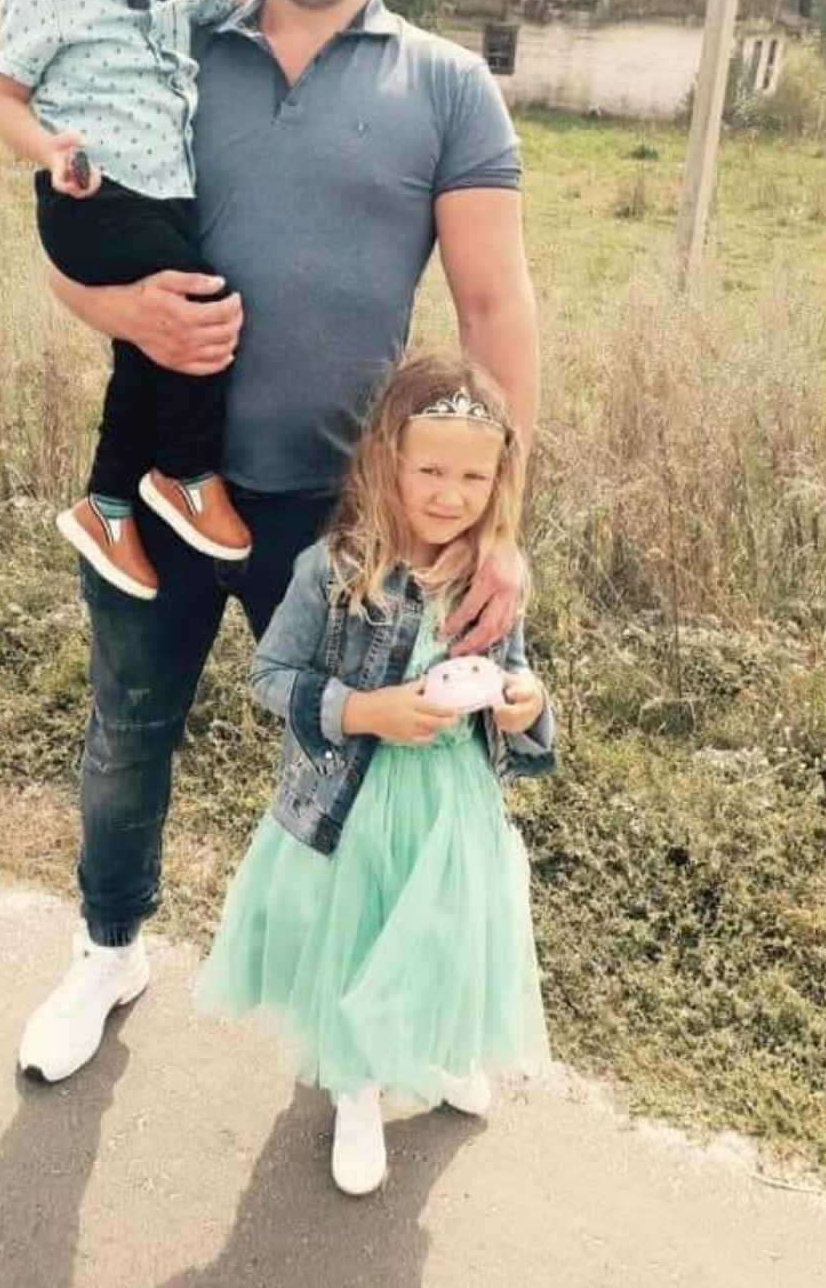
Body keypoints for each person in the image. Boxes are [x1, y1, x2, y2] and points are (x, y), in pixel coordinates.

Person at [15, 0, 543, 1088]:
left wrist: (501, 530)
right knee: (128, 728)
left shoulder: (447, 86)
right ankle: (106, 951)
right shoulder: (168, 40)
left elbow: (493, 308)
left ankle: (382, 1014)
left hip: (348, 514)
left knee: (373, 753)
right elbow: (70, 238)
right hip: (167, 485)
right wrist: (122, 311)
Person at [195, 354, 555, 1195]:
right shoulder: (333, 568)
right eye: (430, 470)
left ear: (499, 481)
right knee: (358, 944)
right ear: (388, 459)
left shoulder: (491, 580)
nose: (450, 494)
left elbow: (515, 675)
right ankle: (355, 1089)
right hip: (357, 807)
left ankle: (438, 1051)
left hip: (454, 810)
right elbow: (269, 676)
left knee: (445, 939)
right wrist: (365, 710)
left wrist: (524, 703)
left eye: (473, 477)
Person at [0, 0, 260, 600]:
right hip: (92, 198)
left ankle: (107, 504)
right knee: (202, 304)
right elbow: (0, 97)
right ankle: (183, 471)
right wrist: (47, 149)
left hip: (164, 196)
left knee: (152, 342)